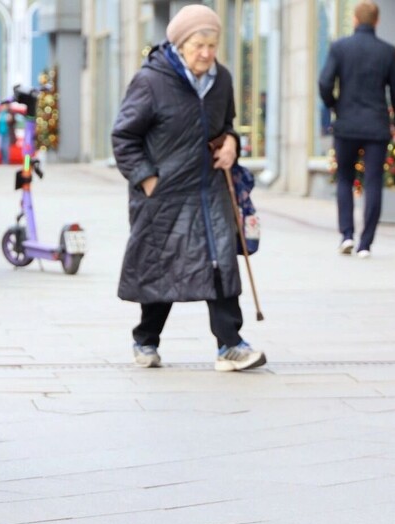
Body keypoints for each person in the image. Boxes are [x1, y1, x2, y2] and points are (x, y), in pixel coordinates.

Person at [111, 5, 266, 372]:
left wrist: (231, 143)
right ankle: (145, 340)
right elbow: (123, 136)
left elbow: (225, 125)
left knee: (221, 264)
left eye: (212, 45)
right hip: (164, 194)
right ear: (180, 44)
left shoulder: (222, 80)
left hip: (210, 189)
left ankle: (230, 344)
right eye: (199, 44)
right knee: (160, 270)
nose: (207, 53)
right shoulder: (150, 82)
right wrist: (148, 179)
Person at [319, 0, 395, 258]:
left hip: (346, 125)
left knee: (344, 179)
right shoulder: (387, 52)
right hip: (376, 127)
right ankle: (365, 244)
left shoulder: (339, 48)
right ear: (376, 22)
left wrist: (334, 105)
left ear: (355, 20)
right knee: (373, 183)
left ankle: (346, 235)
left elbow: (324, 82)